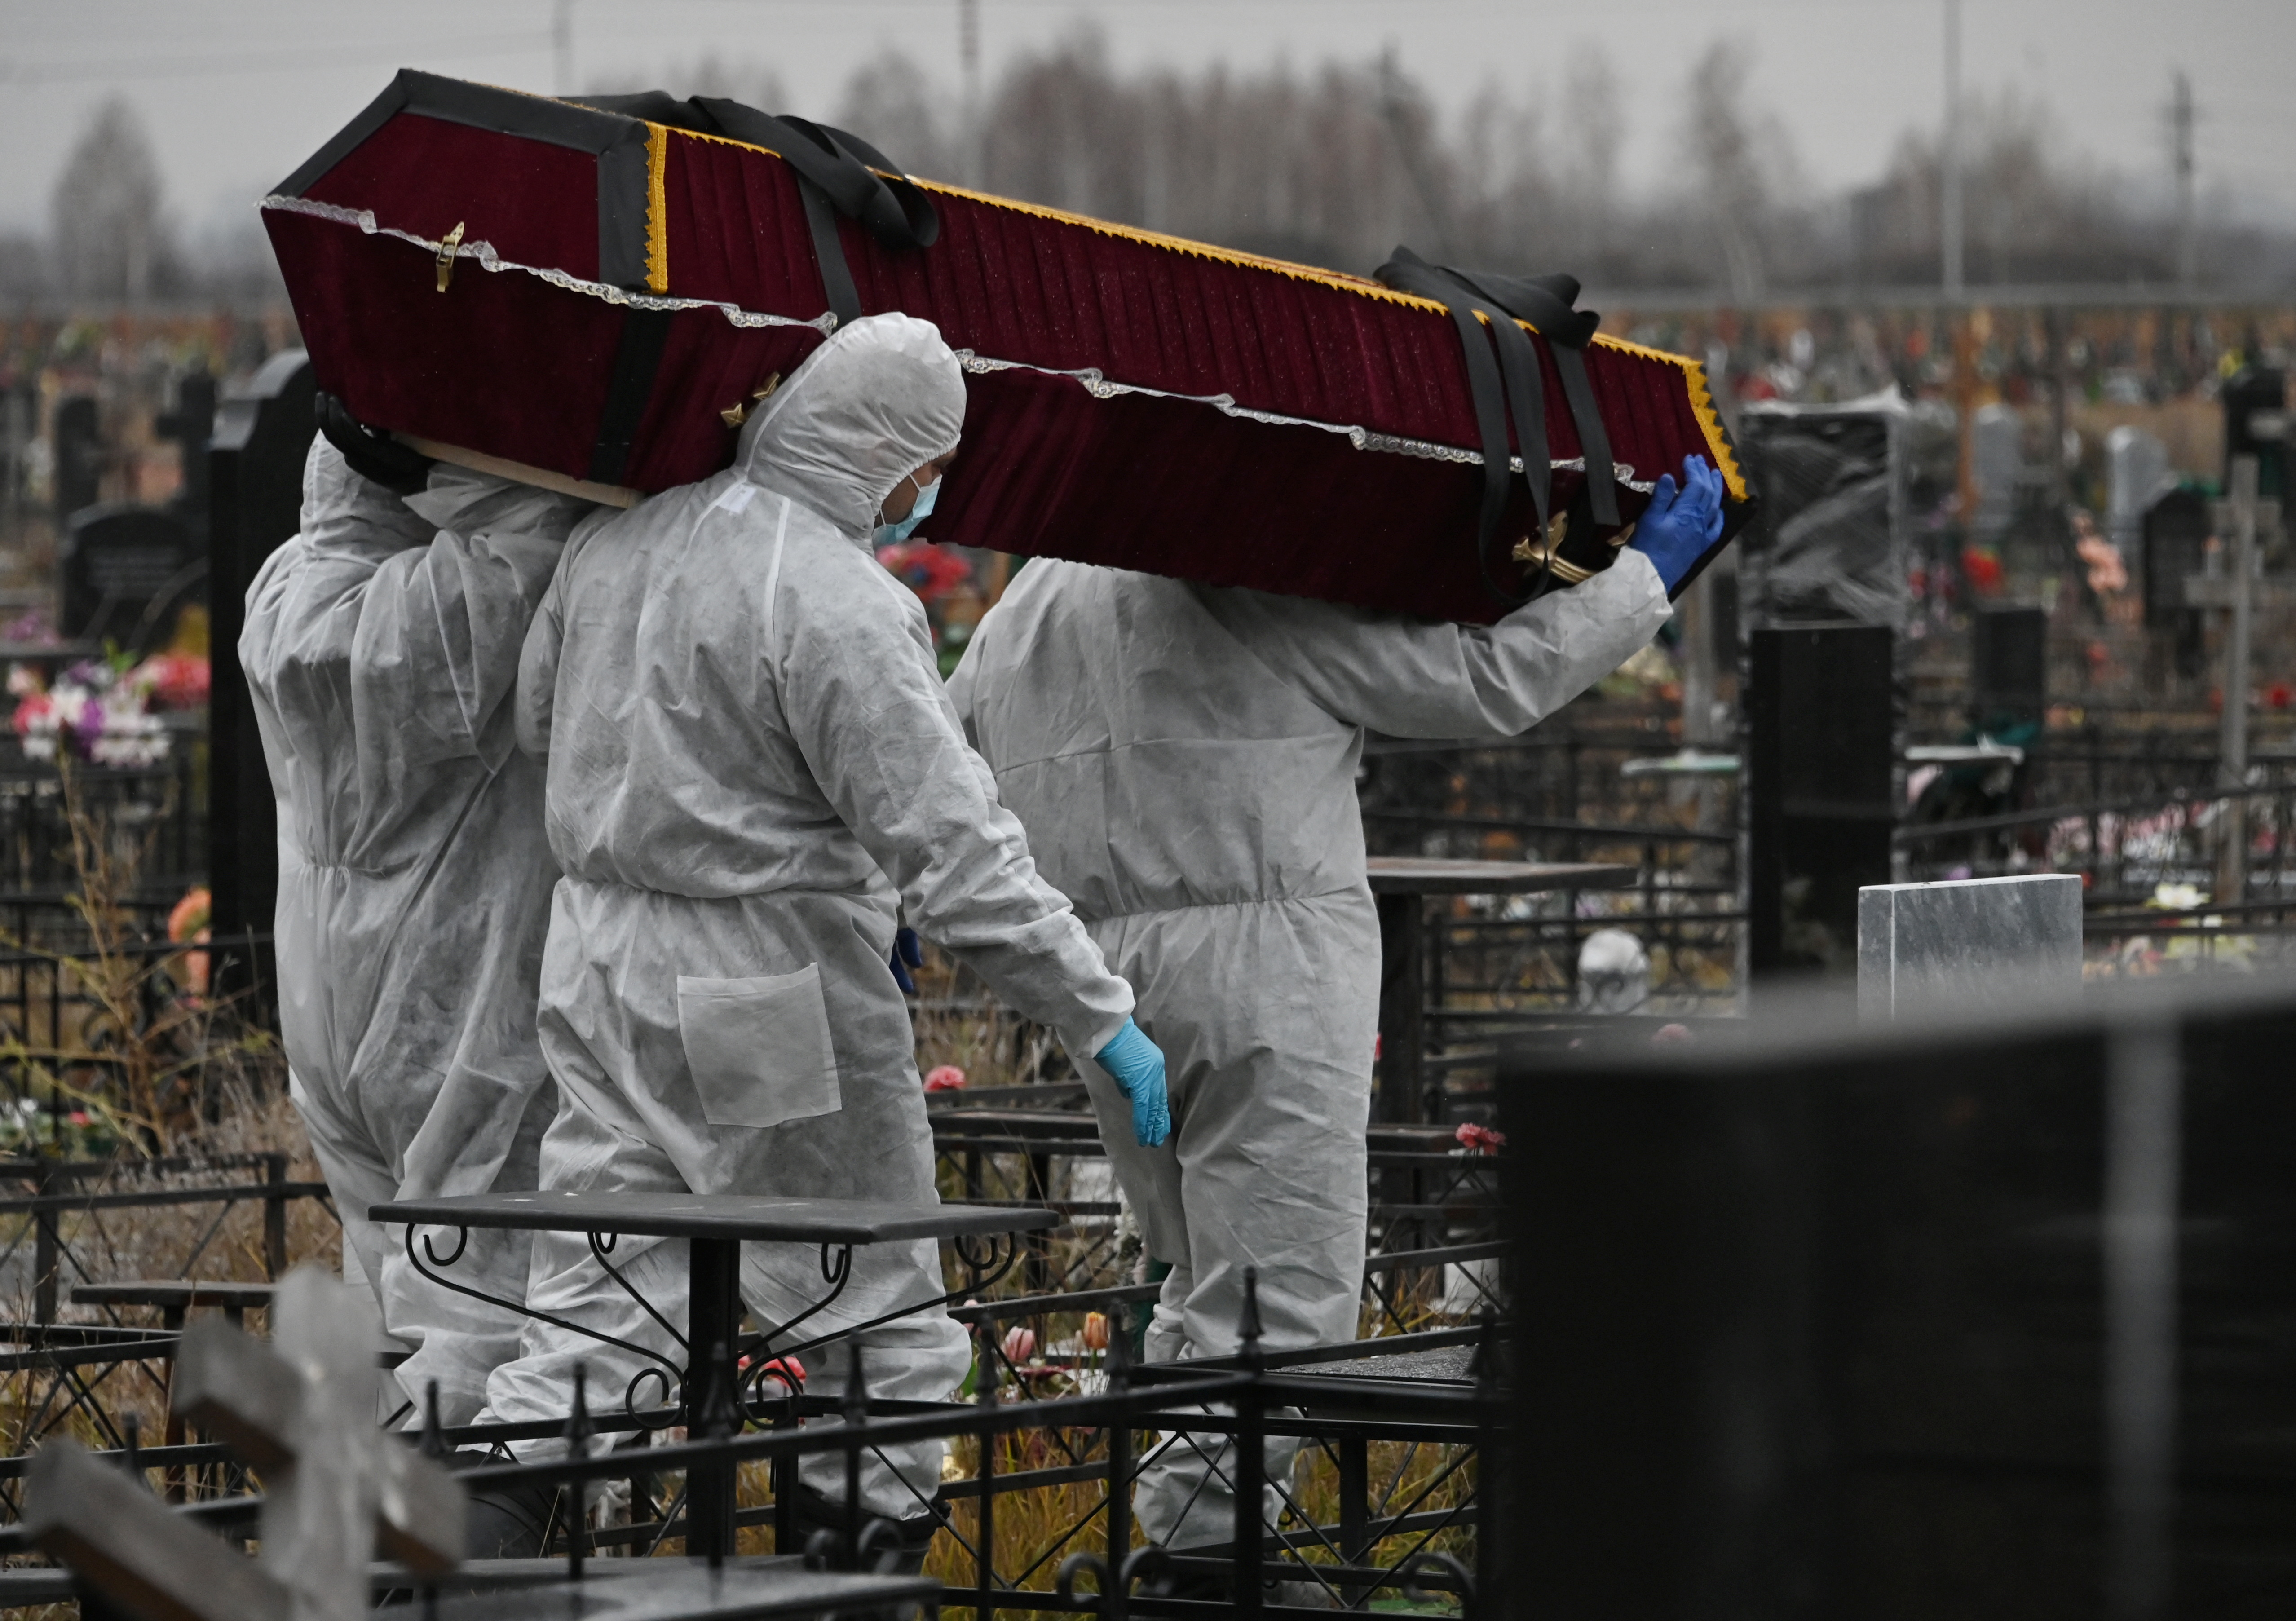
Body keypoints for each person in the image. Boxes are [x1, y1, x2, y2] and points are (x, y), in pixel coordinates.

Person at [476, 312, 1168, 1561]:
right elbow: (953, 846)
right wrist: (1098, 1012)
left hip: (599, 966)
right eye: (925, 468)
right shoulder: (836, 597)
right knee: (871, 1318)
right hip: (766, 987)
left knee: (591, 1309)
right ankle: (840, 1582)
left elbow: (537, 723)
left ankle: (440, 1566)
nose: (925, 497)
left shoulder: (615, 543)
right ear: (885, 449)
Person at [949, 455, 1726, 1555]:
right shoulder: (1236, 580)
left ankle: (1172, 1543)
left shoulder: (1023, 610)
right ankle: (1205, 1570)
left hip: (1105, 986)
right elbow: (1483, 680)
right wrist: (1642, 578)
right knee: (1278, 1300)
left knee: (1196, 1278)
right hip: (1267, 975)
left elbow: (940, 778)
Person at [241, 441, 596, 1433]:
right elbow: (542, 535)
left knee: (391, 1294)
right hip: (446, 999)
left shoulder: (285, 592)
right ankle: (464, 1517)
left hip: (326, 991)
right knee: (478, 1318)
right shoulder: (434, 606)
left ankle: (385, 1503)